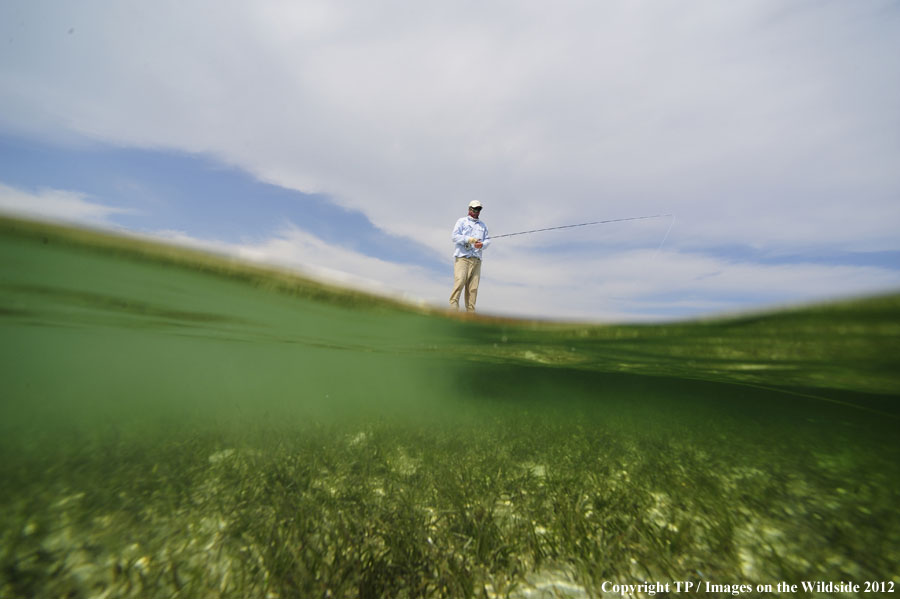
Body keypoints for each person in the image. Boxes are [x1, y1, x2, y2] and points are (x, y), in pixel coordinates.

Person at [449, 200, 491, 312]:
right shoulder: (461, 221)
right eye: (474, 208)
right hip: (463, 258)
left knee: (473, 288)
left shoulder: (483, 225)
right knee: (460, 281)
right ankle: (453, 309)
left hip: (477, 260)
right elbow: (454, 237)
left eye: (478, 209)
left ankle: (470, 313)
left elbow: (487, 240)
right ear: (469, 209)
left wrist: (481, 245)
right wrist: (469, 239)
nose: (476, 211)